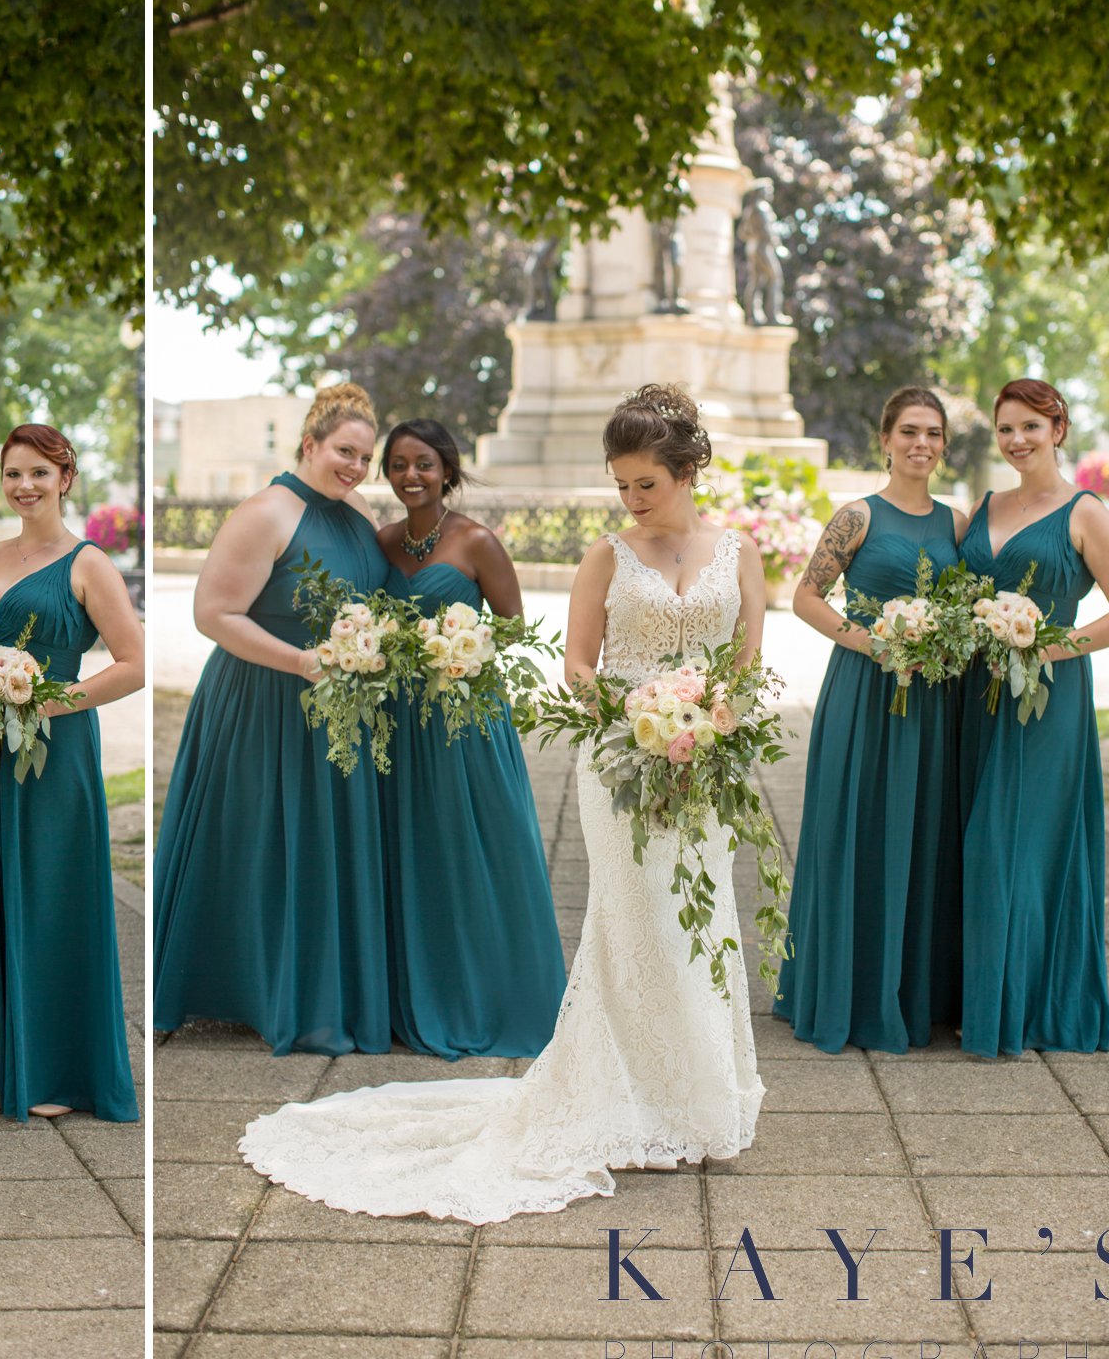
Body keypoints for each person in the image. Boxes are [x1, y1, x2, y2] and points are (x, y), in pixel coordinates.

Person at [240, 386, 767, 1223]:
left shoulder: (738, 553)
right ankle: (621, 1093)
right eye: (621, 484)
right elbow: (580, 666)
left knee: (703, 918)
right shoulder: (606, 555)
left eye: (646, 485)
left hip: (706, 766)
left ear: (687, 470)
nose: (632, 500)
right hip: (622, 758)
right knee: (631, 918)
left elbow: (746, 662)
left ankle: (703, 1100)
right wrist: (636, 719)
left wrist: (715, 719)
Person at [154, 382, 391, 1055]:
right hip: (264, 699)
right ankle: (238, 986)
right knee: (254, 842)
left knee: (317, 847)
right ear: (309, 443)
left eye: (364, 456)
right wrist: (302, 660)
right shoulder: (267, 511)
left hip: (335, 707)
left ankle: (313, 988)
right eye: (344, 450)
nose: (354, 466)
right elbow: (213, 613)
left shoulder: (359, 513)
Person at [958, 379, 1109, 1056]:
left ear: (1058, 429)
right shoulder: (985, 504)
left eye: (1031, 428)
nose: (1017, 440)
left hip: (1048, 699)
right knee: (977, 840)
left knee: (1015, 845)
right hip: (977, 697)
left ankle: (1027, 1008)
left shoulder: (1085, 511)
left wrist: (1043, 644)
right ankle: (982, 997)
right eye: (1007, 428)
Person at [0, 425, 143, 1120]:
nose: (24, 485)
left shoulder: (89, 563)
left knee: (50, 898)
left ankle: (58, 1071)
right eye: (12, 473)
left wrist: (42, 698)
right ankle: (6, 1059)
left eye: (39, 472)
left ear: (66, 477)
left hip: (52, 753)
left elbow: (134, 663)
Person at [776, 389, 967, 1054]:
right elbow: (805, 594)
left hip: (932, 701)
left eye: (934, 433)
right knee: (855, 829)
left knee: (922, 833)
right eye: (910, 430)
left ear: (944, 444)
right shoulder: (856, 516)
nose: (922, 443)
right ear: (885, 438)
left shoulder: (958, 523)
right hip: (863, 692)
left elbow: (966, 605)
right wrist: (873, 642)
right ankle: (843, 989)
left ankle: (917, 990)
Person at [375, 419, 563, 1059]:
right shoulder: (381, 543)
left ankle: (496, 991)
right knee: (412, 848)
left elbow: (514, 631)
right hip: (398, 722)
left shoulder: (477, 541)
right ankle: (416, 988)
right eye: (398, 464)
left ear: (447, 470)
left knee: (476, 846)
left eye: (423, 464)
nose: (410, 477)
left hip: (465, 719)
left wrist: (462, 650)